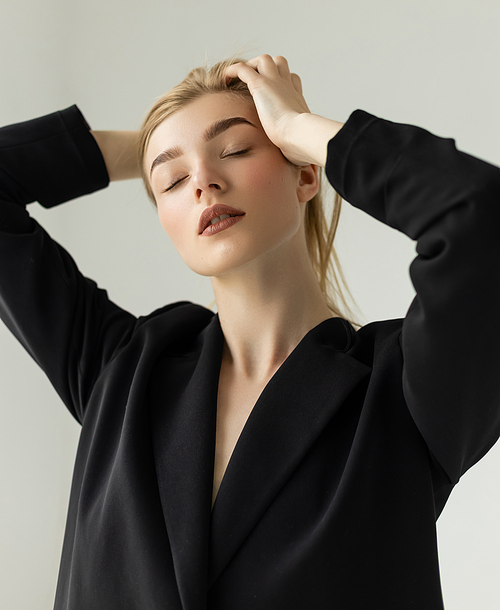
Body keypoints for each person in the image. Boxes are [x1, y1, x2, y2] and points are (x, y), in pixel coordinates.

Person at [1, 54, 499, 609]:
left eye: (236, 150)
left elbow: (481, 218)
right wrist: (145, 147)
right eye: (171, 180)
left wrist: (298, 127)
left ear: (306, 172)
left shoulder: (405, 391)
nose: (204, 183)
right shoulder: (123, 371)